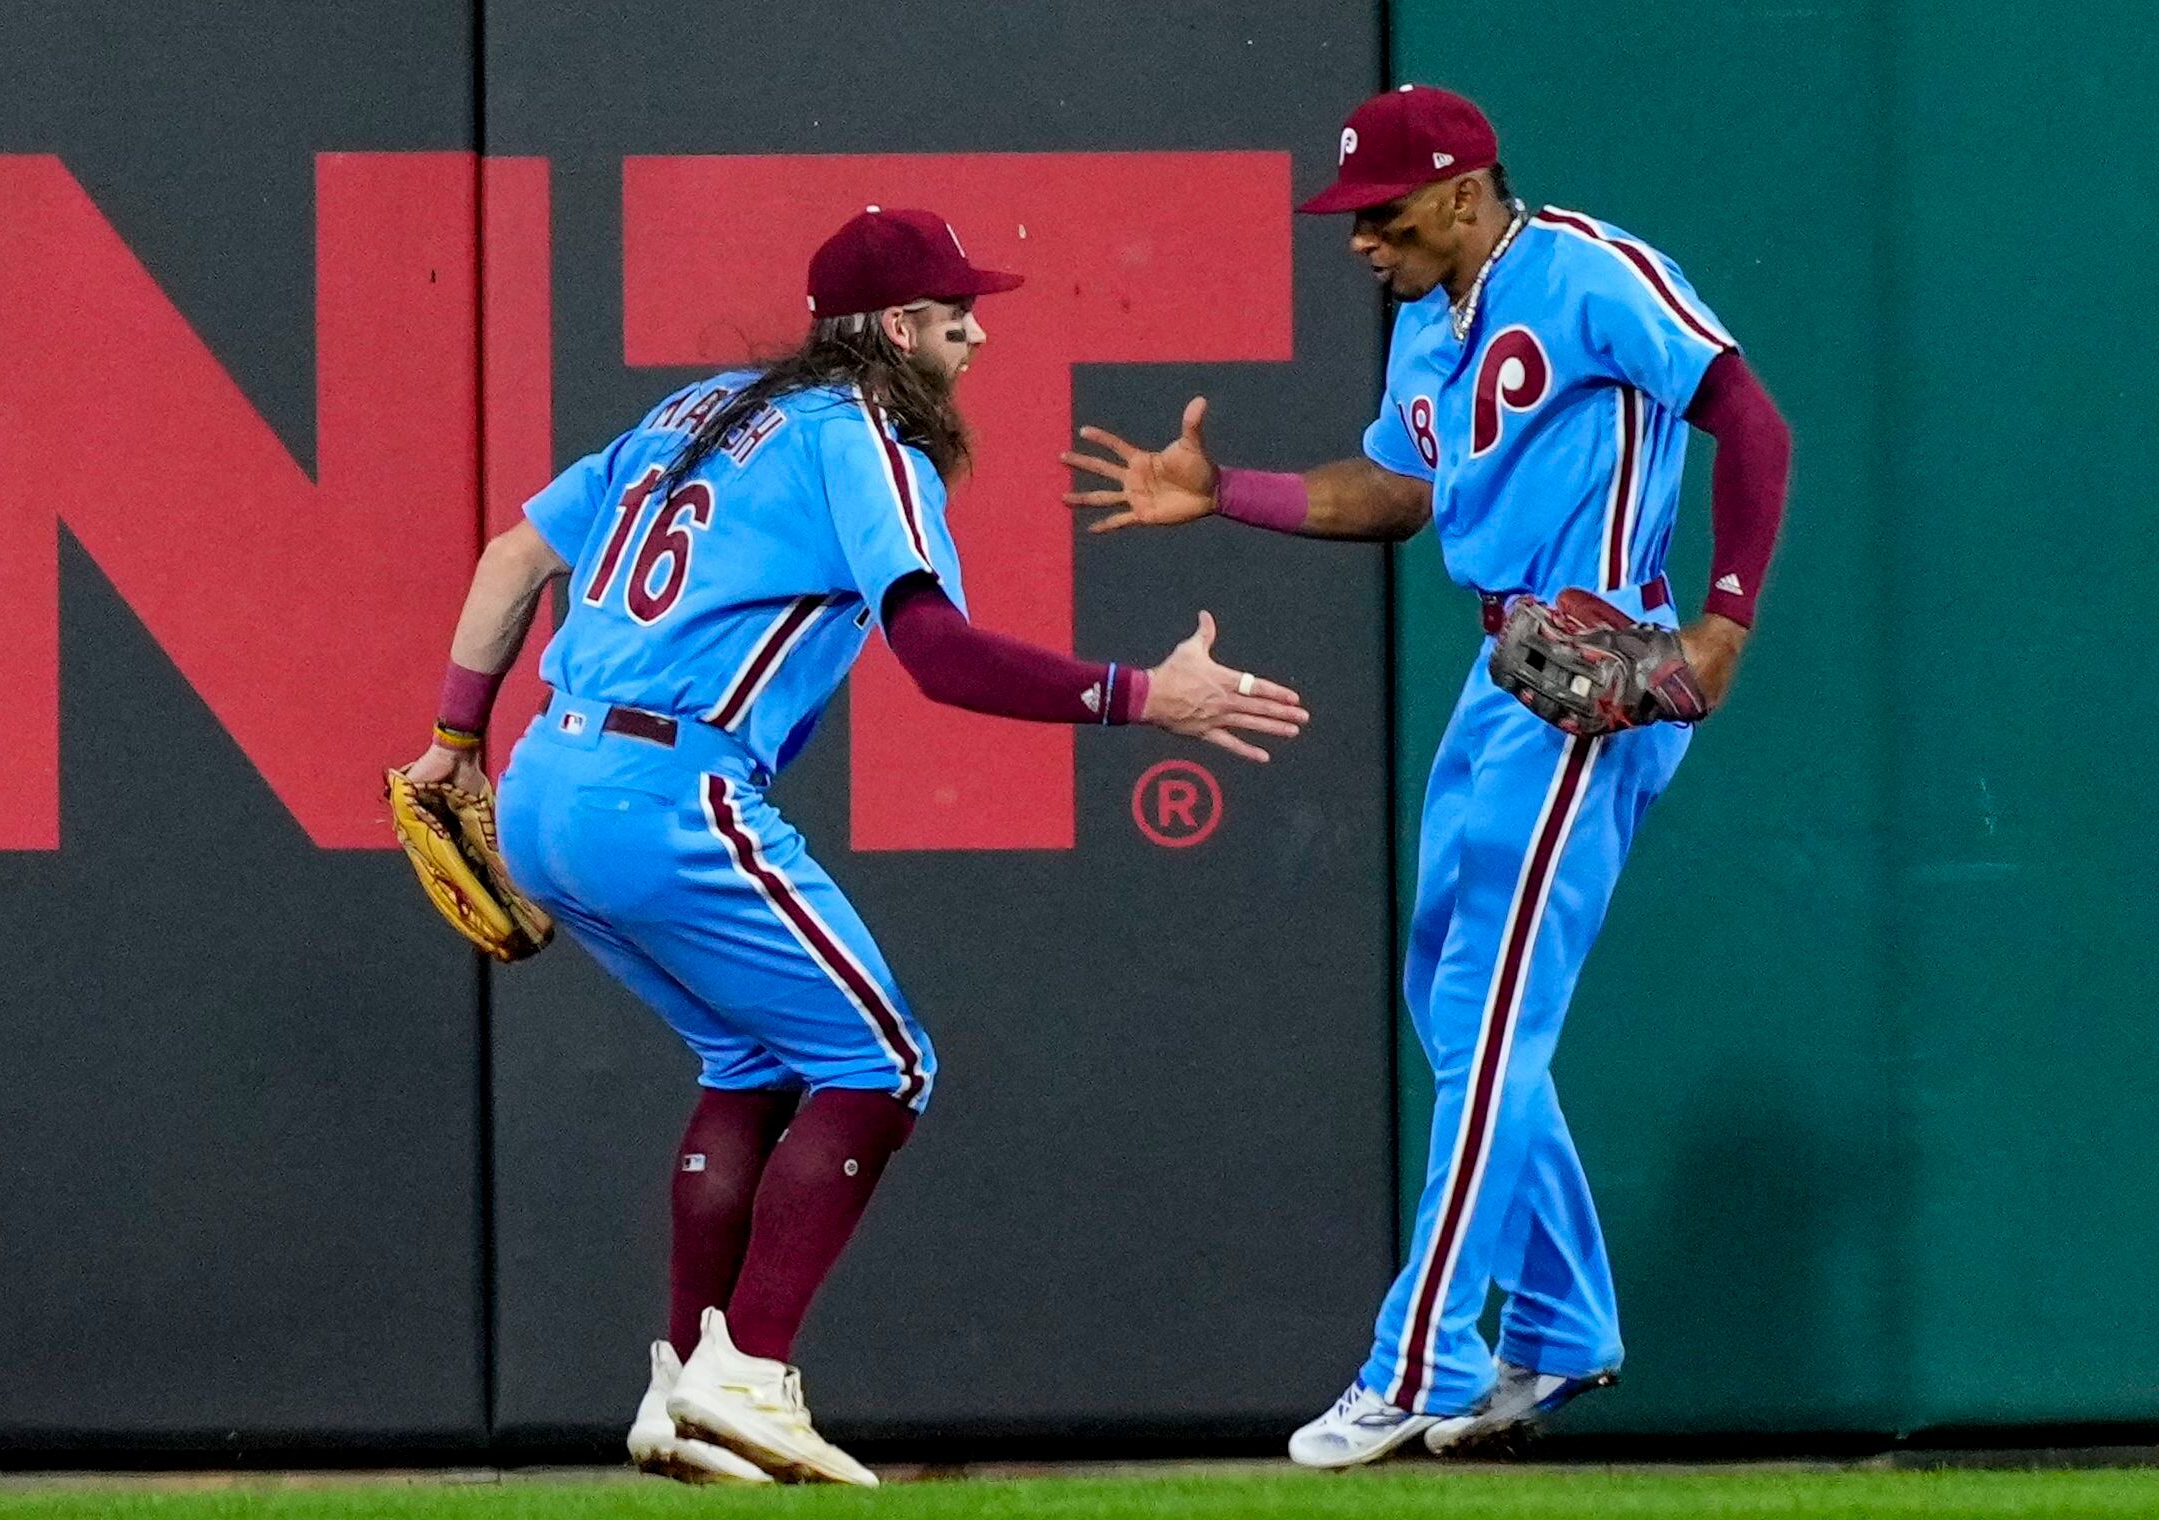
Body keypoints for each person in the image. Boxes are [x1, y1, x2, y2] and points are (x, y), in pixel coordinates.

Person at [398, 205, 1309, 1486]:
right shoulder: (866, 438)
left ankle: (685, 1383)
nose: (975, 337)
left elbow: (512, 557)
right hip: (668, 785)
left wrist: (451, 738)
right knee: (884, 1062)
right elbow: (938, 657)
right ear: (894, 330)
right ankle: (752, 1374)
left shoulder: (691, 410)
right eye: (954, 318)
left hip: (546, 775)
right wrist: (1143, 694)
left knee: (753, 1053)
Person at [1063, 86, 1791, 1464]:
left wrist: (1726, 623)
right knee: (1450, 998)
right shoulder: (1422, 321)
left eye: (1382, 216)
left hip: (1598, 664)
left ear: (1464, 193)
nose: (1359, 240)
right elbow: (1400, 495)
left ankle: (1425, 1361)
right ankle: (1562, 1328)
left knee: (1491, 1007)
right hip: (1499, 668)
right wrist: (1229, 494)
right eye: (1352, 218)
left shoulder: (1590, 271)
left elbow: (1752, 421)